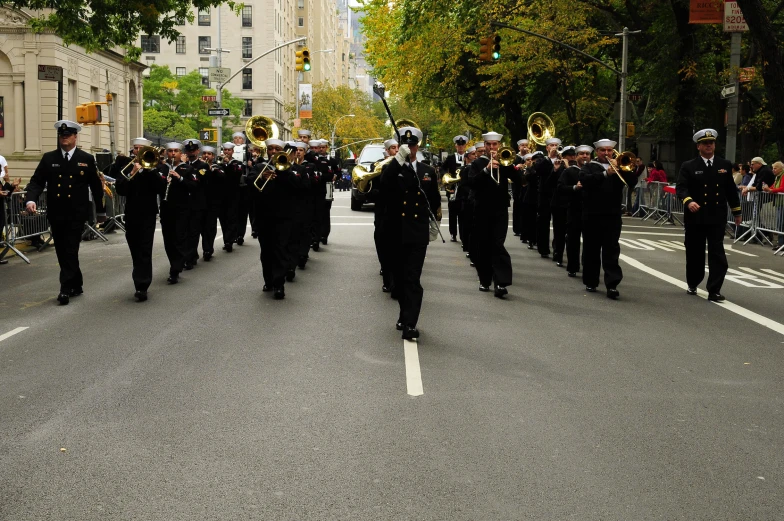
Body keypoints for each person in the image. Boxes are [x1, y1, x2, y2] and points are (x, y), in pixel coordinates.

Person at [24, 121, 106, 304]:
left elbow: (96, 186)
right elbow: (36, 182)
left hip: (77, 213)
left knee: (70, 247)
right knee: (63, 250)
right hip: (56, 212)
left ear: (75, 137)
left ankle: (65, 288)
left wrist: (101, 211)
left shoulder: (86, 159)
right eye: (62, 135)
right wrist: (30, 200)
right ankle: (76, 283)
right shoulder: (49, 158)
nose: (64, 137)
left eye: (68, 135)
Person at [380, 126, 441, 339]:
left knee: (412, 279)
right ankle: (403, 314)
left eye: (413, 145)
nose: (410, 149)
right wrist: (398, 159)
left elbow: (433, 201)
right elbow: (384, 184)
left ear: (418, 145)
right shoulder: (392, 168)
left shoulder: (427, 171)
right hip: (395, 231)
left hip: (416, 233)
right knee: (399, 279)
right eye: (406, 145)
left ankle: (410, 323)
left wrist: (434, 225)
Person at [676, 129, 742, 301]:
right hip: (695, 216)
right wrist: (689, 201)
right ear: (698, 146)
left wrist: (737, 211)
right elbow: (681, 188)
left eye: (711, 143)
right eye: (705, 143)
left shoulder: (724, 164)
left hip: (716, 216)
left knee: (717, 252)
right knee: (694, 251)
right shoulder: (689, 166)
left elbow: (730, 190)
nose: (708, 146)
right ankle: (693, 282)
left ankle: (714, 289)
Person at [461, 131, 522, 298]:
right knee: (483, 245)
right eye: (489, 145)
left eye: (495, 144)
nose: (492, 147)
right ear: (485, 146)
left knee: (498, 244)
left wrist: (511, 166)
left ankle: (501, 282)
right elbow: (471, 183)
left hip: (500, 208)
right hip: (481, 208)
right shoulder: (477, 163)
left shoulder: (505, 161)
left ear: (499, 146)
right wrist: (487, 170)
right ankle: (485, 279)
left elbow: (519, 180)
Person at [579, 138, 638, 299]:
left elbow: (632, 182)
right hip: (592, 214)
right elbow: (585, 181)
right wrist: (605, 173)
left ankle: (612, 284)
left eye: (609, 150)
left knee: (612, 249)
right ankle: (591, 281)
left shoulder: (620, 166)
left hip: (612, 214)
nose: (607, 153)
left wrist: (625, 169)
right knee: (591, 249)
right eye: (603, 150)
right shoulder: (589, 166)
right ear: (597, 152)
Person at [114, 138, 167, 301]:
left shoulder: (158, 167)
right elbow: (121, 190)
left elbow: (161, 188)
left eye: (140, 148)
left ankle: (142, 285)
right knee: (135, 249)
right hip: (131, 214)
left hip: (148, 214)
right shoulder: (126, 167)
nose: (137, 151)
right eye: (135, 148)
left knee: (145, 248)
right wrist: (132, 173)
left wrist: (148, 170)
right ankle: (140, 279)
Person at [159, 142, 192, 284]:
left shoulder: (187, 168)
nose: (173, 153)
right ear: (167, 153)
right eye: (170, 151)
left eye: (176, 151)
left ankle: (175, 269)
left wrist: (180, 178)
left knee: (180, 237)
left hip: (182, 208)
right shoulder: (160, 168)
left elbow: (194, 186)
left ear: (180, 153)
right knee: (168, 239)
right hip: (166, 208)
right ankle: (174, 262)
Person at [559, 144, 592, 277]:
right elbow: (560, 188)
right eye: (581, 154)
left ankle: (588, 266)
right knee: (573, 238)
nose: (584, 156)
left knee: (590, 240)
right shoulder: (569, 171)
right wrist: (574, 187)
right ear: (576, 156)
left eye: (587, 154)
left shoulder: (594, 169)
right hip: (574, 208)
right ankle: (572, 266)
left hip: (590, 209)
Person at [369, 138, 398, 293]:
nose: (396, 151)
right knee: (382, 243)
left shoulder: (406, 165)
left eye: (398, 147)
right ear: (387, 151)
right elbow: (370, 189)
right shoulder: (378, 166)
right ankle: (386, 274)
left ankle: (395, 279)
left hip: (399, 212)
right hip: (383, 211)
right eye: (393, 148)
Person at [181, 139, 209, 269]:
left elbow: (198, 179)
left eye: (193, 150)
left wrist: (186, 167)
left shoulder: (203, 166)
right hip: (184, 202)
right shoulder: (182, 165)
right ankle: (188, 255)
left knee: (193, 231)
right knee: (185, 231)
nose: (191, 152)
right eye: (189, 150)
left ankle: (191, 257)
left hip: (197, 203)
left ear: (198, 151)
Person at [534, 137, 562, 258]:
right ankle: (543, 248)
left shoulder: (563, 159)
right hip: (545, 194)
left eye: (556, 145)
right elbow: (538, 171)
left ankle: (557, 250)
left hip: (559, 194)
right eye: (552, 145)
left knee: (559, 224)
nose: (554, 147)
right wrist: (550, 158)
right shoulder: (542, 160)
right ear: (547, 148)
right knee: (543, 221)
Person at [550, 146, 577, 267]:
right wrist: (556, 170)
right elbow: (550, 183)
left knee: (571, 233)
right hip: (559, 204)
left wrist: (569, 167)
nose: (572, 158)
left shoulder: (577, 168)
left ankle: (572, 259)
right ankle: (558, 254)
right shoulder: (558, 166)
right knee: (559, 231)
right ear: (564, 156)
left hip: (573, 204)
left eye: (573, 155)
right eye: (569, 156)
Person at [441, 135, 468, 242]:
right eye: (458, 145)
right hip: (452, 188)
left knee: (463, 213)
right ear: (455, 146)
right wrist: (446, 177)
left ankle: (462, 234)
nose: (460, 147)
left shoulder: (469, 156)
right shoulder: (451, 158)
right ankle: (453, 233)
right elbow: (443, 168)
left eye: (462, 145)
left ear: (465, 146)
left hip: (464, 188)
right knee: (452, 212)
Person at [218, 142, 243, 253]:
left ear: (232, 151)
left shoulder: (237, 163)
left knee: (232, 217)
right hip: (222, 195)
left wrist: (228, 164)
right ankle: (226, 240)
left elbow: (236, 175)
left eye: (229, 150)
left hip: (233, 194)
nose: (226, 152)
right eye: (225, 150)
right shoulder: (219, 163)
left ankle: (230, 240)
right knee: (223, 218)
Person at [761, 160, 784, 249]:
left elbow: (782, 188)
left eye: (775, 168)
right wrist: (767, 188)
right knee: (779, 223)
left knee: (780, 223)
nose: (773, 170)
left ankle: (781, 244)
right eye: (773, 168)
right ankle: (780, 243)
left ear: (781, 168)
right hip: (779, 202)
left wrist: (770, 190)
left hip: (782, 203)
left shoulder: (783, 176)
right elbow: (774, 187)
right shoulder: (778, 176)